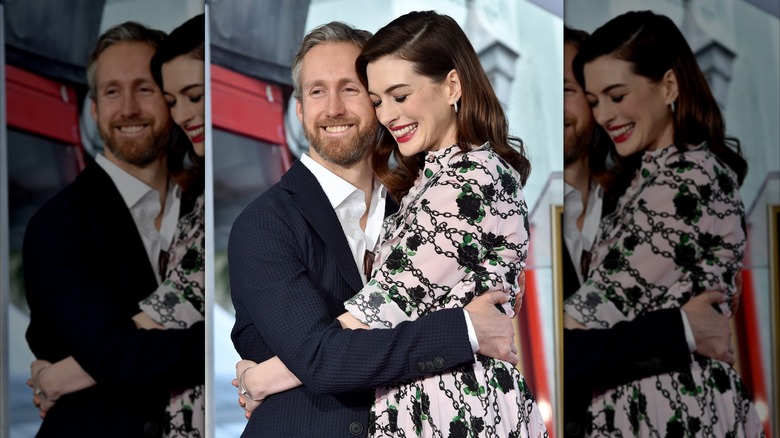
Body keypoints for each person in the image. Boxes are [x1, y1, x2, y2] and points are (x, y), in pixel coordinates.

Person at [233, 11, 547, 437]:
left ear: (452, 86)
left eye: (353, 89)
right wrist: (467, 330)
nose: (334, 108)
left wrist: (259, 379)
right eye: (317, 91)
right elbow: (323, 356)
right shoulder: (266, 223)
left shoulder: (466, 180)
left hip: (458, 415)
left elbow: (355, 330)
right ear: (300, 107)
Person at [563, 11, 762, 437]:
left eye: (617, 95)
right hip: (636, 407)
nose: (604, 116)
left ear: (669, 86)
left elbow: (589, 312)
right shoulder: (643, 180)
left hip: (679, 410)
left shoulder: (691, 176)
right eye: (595, 101)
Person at [23, 21, 204, 437]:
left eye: (144, 88)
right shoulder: (57, 225)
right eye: (111, 92)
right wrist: (216, 347)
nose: (127, 109)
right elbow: (117, 355)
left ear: (170, 97)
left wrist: (71, 372)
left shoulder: (203, 206)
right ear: (93, 109)